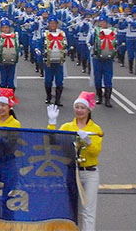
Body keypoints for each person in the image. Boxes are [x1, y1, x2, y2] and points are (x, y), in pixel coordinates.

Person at [47, 92, 104, 231]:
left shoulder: (95, 130)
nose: (79, 110)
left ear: (88, 110)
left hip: (89, 173)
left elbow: (95, 152)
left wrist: (88, 141)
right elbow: (53, 142)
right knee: (72, 209)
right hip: (71, 172)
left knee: (88, 211)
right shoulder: (67, 127)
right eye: (77, 107)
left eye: (82, 108)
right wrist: (52, 123)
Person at [37, 14, 67, 106]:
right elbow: (40, 44)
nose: (53, 25)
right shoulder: (45, 34)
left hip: (59, 61)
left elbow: (66, 44)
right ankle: (48, 96)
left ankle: (58, 99)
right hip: (48, 61)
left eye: (54, 23)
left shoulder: (61, 33)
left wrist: (67, 49)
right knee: (48, 80)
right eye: (51, 23)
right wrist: (38, 50)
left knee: (59, 80)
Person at [88, 14, 117, 107]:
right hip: (97, 58)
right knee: (98, 78)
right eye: (100, 22)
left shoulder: (112, 31)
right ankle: (100, 97)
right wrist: (92, 48)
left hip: (108, 59)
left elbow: (115, 42)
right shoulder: (94, 31)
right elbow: (90, 42)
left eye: (104, 22)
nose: (102, 23)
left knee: (108, 79)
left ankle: (107, 99)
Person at [0, 18, 20, 89]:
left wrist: (19, 52)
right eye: (3, 28)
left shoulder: (14, 36)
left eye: (6, 27)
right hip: (2, 62)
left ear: (9, 28)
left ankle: (10, 95)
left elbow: (17, 46)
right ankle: (3, 95)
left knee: (11, 79)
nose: (5, 29)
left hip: (12, 62)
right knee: (3, 79)